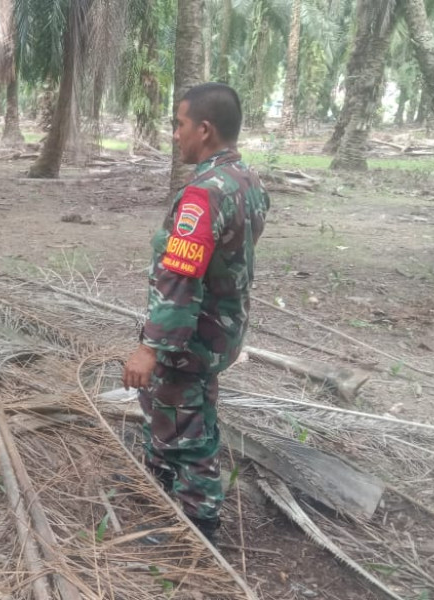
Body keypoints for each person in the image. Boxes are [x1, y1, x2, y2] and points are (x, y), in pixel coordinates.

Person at [121, 83, 270, 543]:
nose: (175, 135)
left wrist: (150, 349)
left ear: (204, 130)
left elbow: (182, 279)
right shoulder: (247, 180)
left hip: (191, 335)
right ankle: (162, 490)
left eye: (179, 125)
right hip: (221, 329)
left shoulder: (204, 194)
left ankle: (199, 524)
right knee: (177, 413)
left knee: (188, 429)